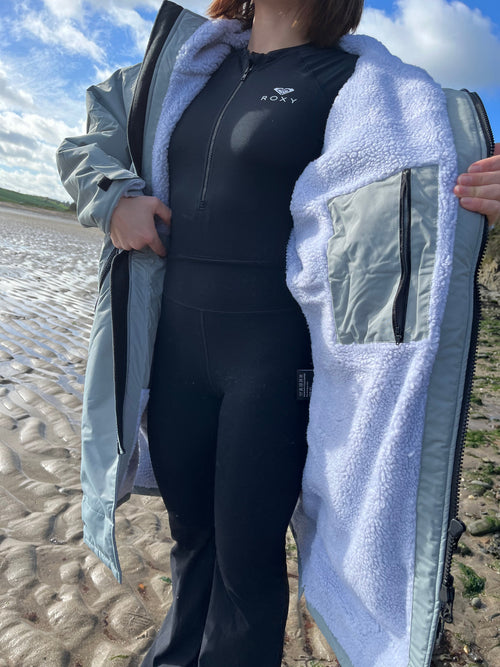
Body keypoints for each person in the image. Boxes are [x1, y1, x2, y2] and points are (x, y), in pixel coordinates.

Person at [57, 1, 500, 666]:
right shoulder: (185, 64)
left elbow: (434, 187)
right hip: (175, 354)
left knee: (246, 563)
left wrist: (483, 190)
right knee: (192, 542)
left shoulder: (363, 85)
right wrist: (112, 197)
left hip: (270, 363)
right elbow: (84, 147)